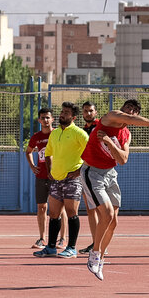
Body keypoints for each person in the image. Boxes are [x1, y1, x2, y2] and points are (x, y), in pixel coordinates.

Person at [83, 99, 149, 280]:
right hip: (92, 172)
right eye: (129, 108)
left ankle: (100, 258)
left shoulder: (126, 134)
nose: (131, 112)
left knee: (113, 223)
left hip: (110, 174)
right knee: (107, 214)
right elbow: (127, 118)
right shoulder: (110, 117)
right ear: (122, 109)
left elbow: (123, 159)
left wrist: (110, 143)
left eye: (135, 110)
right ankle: (94, 254)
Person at [33, 102, 89, 258]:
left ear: (74, 117)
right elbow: (48, 153)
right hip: (56, 180)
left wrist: (78, 171)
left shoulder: (80, 134)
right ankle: (51, 247)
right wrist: (50, 170)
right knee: (54, 214)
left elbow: (91, 153)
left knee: (72, 212)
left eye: (66, 112)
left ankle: (71, 248)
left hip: (72, 180)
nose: (62, 114)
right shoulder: (55, 133)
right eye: (62, 111)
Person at [25, 108, 54, 248]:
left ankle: (62, 239)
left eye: (48, 117)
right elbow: (28, 151)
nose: (46, 120)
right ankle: (42, 238)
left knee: (61, 209)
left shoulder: (57, 134)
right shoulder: (36, 137)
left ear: (52, 119)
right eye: (43, 118)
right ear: (39, 120)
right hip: (41, 176)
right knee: (41, 207)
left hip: (57, 177)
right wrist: (32, 166)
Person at [77, 101, 100, 254]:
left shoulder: (100, 127)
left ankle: (101, 245)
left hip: (99, 171)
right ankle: (95, 242)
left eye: (91, 111)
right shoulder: (83, 130)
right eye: (85, 111)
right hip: (86, 171)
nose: (88, 113)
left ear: (96, 112)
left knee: (100, 208)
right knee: (90, 208)